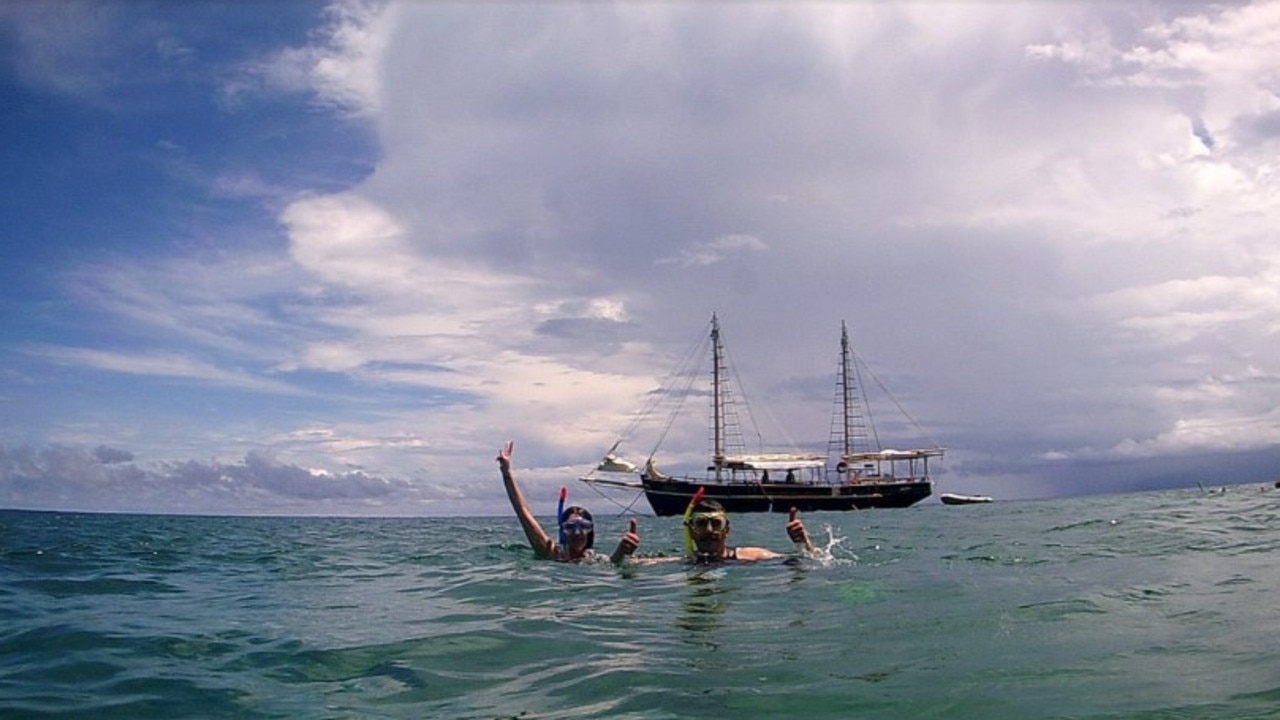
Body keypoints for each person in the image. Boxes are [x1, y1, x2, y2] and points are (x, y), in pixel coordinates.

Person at [497, 440, 640, 564]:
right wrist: (506, 473)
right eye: (570, 527)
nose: (577, 533)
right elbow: (523, 513)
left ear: (590, 531)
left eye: (584, 526)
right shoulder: (551, 554)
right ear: (563, 530)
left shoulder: (596, 560)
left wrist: (622, 552)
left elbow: (614, 565)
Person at [684, 498, 816, 563]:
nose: (709, 530)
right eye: (701, 524)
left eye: (716, 524)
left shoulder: (752, 556)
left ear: (727, 530)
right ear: (691, 531)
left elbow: (812, 562)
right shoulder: (682, 561)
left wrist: (803, 543)